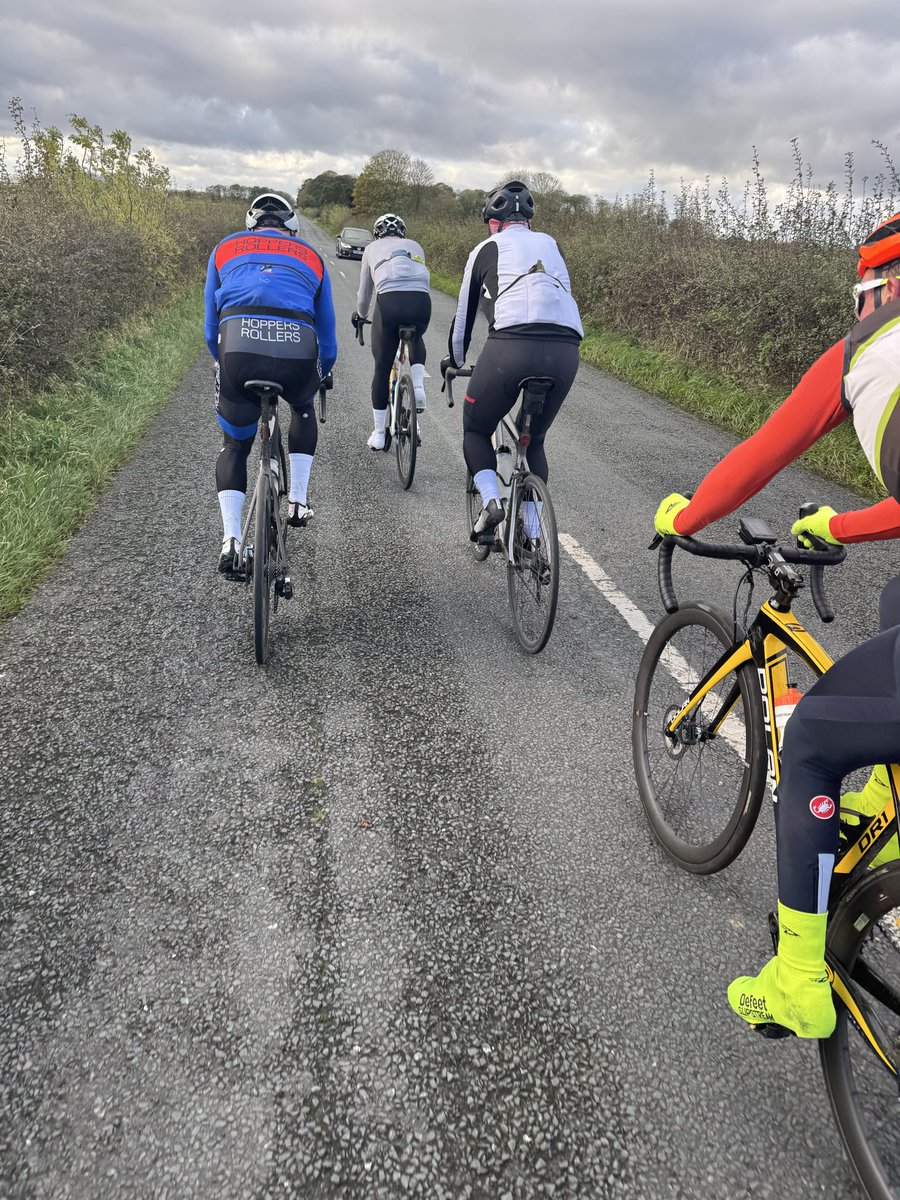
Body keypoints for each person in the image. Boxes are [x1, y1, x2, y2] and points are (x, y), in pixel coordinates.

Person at [653, 212, 900, 1036]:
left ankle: (798, 979)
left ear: (875, 286)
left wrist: (689, 513)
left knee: (816, 741)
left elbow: (756, 456)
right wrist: (847, 527)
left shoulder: (864, 352)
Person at [441, 181, 583, 536]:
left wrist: (454, 361)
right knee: (533, 441)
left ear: (493, 221)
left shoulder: (485, 248)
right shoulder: (553, 245)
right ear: (529, 221)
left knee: (475, 430)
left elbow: (463, 319)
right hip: (566, 348)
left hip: (511, 346)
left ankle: (492, 503)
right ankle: (534, 537)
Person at [204, 193, 337, 574]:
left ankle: (231, 539)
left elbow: (211, 328)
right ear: (291, 229)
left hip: (238, 351)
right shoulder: (310, 256)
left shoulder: (224, 248)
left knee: (234, 446)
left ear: (252, 225)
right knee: (302, 406)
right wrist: (319, 374)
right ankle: (297, 499)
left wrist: (223, 364)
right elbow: (327, 341)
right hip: (296, 356)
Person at [352, 214, 431, 450]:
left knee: (382, 367)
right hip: (421, 302)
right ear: (402, 233)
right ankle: (418, 386)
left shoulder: (371, 248)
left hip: (390, 303)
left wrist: (362, 315)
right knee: (417, 335)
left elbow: (365, 293)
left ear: (377, 234)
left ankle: (378, 434)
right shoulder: (415, 246)